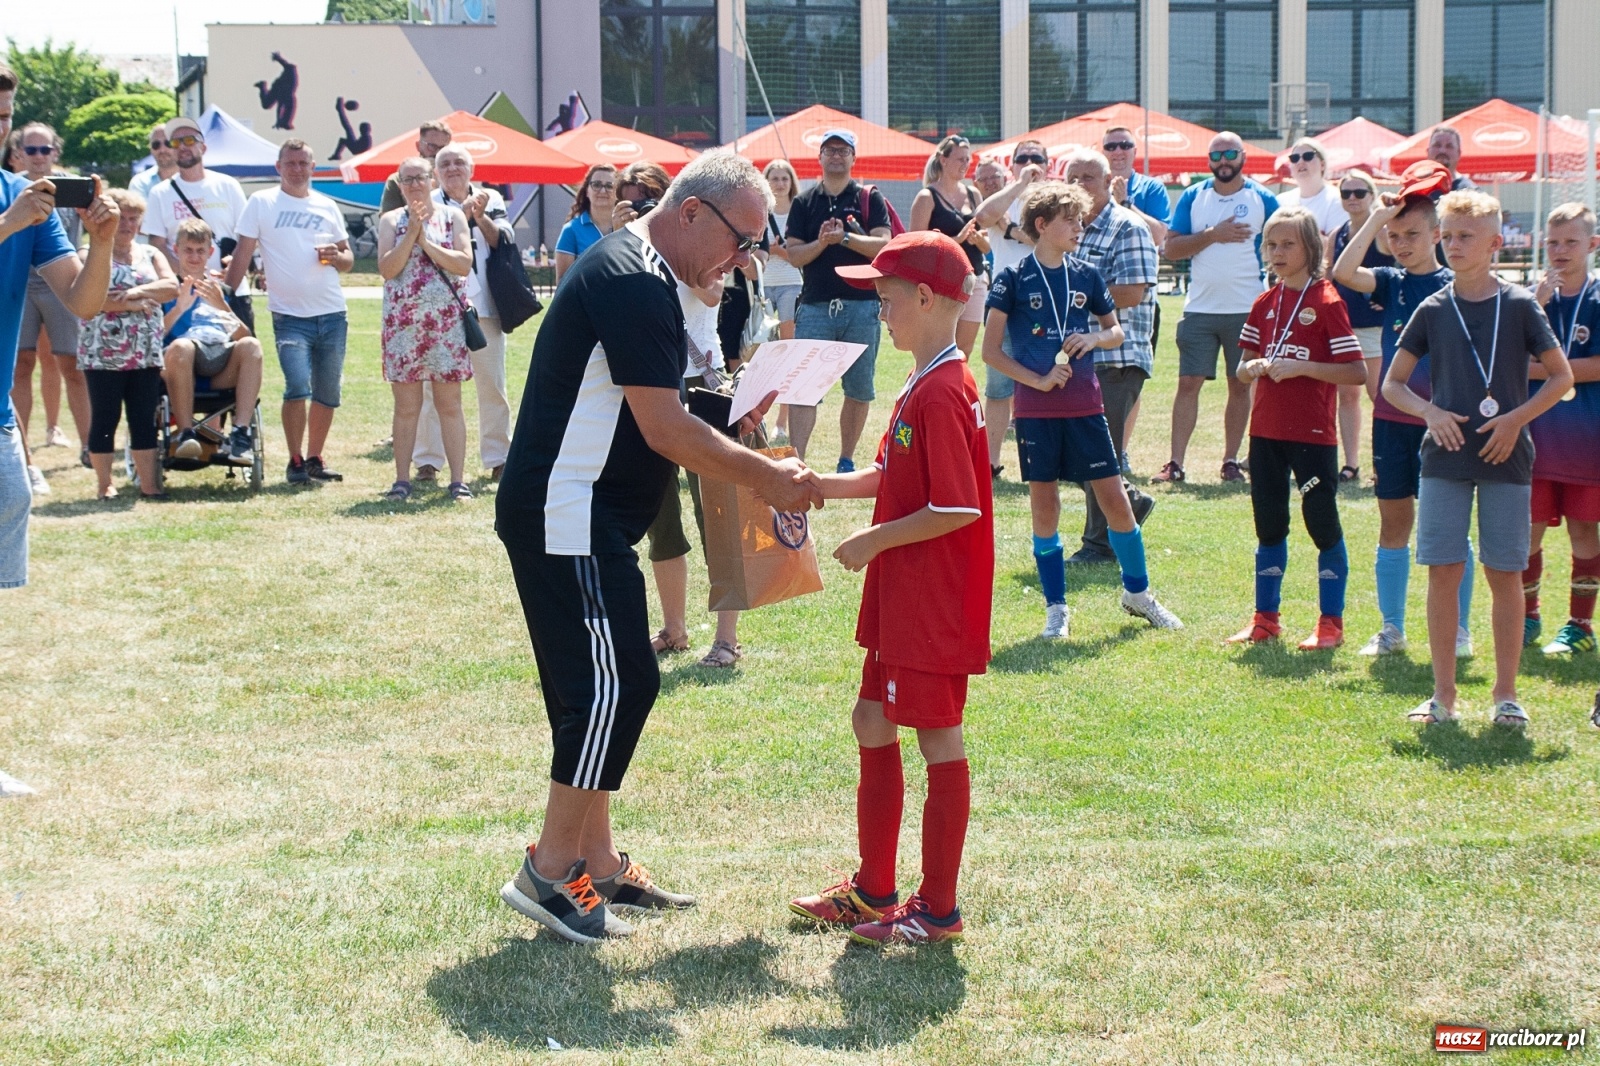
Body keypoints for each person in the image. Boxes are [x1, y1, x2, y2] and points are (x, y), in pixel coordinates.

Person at [494, 150, 820, 944]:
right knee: (617, 686)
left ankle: (596, 861)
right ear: (691, 213)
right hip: (565, 508)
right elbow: (663, 428)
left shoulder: (652, 273)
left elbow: (663, 396)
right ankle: (548, 870)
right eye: (743, 239)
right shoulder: (636, 277)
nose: (745, 259)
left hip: (585, 511)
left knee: (596, 691)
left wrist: (736, 406)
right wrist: (765, 476)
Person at [788, 230, 990, 946]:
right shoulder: (925, 378)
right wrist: (822, 487)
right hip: (904, 593)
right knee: (872, 720)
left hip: (931, 598)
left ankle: (938, 912)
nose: (879, 313)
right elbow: (889, 477)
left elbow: (957, 505)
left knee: (939, 737)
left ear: (929, 298)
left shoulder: (943, 389)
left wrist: (873, 541)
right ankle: (874, 889)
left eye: (887, 299)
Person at [1382, 190, 1571, 728]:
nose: (1455, 244)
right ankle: (1443, 697)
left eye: (1467, 236)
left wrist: (1515, 418)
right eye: (1448, 235)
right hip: (1443, 458)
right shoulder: (1433, 307)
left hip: (1506, 457)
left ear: (1494, 244)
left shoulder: (1519, 305)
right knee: (1443, 570)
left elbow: (1560, 376)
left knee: (1504, 572)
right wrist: (1430, 412)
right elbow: (1392, 385)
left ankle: (1505, 695)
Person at [983, 182, 1182, 639]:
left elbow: (1115, 332)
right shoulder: (1011, 279)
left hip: (1085, 405)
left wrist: (1093, 338)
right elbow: (992, 353)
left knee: (1114, 500)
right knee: (1045, 507)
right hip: (1036, 411)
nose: (1079, 226)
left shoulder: (1087, 275)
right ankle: (1056, 609)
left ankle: (1139, 593)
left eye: (1080, 218)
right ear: (1041, 225)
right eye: (1069, 219)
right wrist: (1036, 381)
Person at [1330, 161, 1474, 659]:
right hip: (1392, 421)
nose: (1402, 243)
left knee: (1451, 528)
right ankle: (1392, 628)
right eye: (1395, 236)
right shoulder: (1390, 280)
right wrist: (1376, 218)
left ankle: (1458, 630)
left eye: (1412, 233)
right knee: (1394, 522)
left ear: (1437, 233)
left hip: (1448, 424)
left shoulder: (1459, 284)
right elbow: (1342, 272)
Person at [0, 58, 121, 590]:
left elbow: (83, 302)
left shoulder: (23, 199)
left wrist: (104, 240)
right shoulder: (17, 209)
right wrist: (7, 224)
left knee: (12, 497)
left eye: (3, 115)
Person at [1225, 208, 1367, 650]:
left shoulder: (1327, 301)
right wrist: (1254, 367)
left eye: (1287, 244)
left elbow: (1357, 372)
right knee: (1269, 526)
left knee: (1321, 523)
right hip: (1265, 432)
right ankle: (1265, 619)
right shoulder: (1264, 302)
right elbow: (1240, 370)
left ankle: (1331, 624)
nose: (1277, 253)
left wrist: (1303, 367)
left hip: (1312, 435)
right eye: (1271, 244)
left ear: (1311, 249)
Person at [1156, 132, 1279, 485]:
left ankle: (1230, 462)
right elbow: (1172, 249)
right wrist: (1212, 234)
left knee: (1239, 385)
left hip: (1248, 308)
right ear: (1208, 161)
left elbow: (1287, 241)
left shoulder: (1262, 198)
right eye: (1216, 155)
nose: (1223, 161)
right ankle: (1175, 463)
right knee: (1187, 383)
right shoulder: (1195, 197)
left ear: (1242, 157)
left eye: (1230, 154)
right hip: (1200, 309)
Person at [226, 139, 352, 485]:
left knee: (328, 392)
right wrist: (224, 296)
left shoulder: (327, 206)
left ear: (314, 167)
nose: (297, 169)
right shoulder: (262, 202)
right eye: (291, 163)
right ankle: (294, 458)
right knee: (297, 385)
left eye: (304, 163)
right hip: (289, 316)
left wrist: (336, 257)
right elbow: (242, 253)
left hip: (331, 313)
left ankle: (314, 458)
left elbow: (348, 260)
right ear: (278, 167)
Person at [1060, 149, 1159, 565]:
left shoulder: (1128, 227)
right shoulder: (1069, 231)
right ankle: (1130, 502)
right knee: (1079, 448)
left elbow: (1134, 292)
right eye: (1073, 178)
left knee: (1100, 451)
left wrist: (1073, 298)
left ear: (1108, 182)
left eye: (1089, 178)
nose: (1081, 185)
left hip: (1119, 355)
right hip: (1079, 357)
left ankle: (1099, 545)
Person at [783, 129, 893, 469]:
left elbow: (884, 245)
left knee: (859, 388)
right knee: (804, 389)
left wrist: (844, 238)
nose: (835, 155)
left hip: (862, 306)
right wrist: (822, 243)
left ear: (853, 158)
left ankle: (846, 459)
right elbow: (794, 254)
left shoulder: (869, 198)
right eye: (829, 150)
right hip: (815, 307)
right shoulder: (803, 202)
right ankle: (796, 460)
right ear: (819, 157)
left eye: (842, 150)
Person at [408, 145, 514, 483]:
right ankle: (428, 460)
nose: (452, 168)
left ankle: (499, 457)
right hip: (437, 309)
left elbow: (502, 242)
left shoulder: (491, 199)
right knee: (430, 388)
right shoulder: (428, 204)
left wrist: (478, 216)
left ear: (471, 169)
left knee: (492, 385)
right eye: (445, 164)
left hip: (484, 308)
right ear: (436, 172)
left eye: (458, 163)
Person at [1524, 203, 1600, 660]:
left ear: (1593, 245)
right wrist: (1533, 305)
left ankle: (1580, 624)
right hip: (1535, 440)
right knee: (1525, 532)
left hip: (1586, 442)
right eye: (1552, 242)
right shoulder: (1533, 300)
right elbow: (1507, 357)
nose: (1559, 251)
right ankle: (1528, 615)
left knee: (1584, 532)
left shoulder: (1597, 297)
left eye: (1571, 242)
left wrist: (1549, 373)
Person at [377, 157, 474, 501]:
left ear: (432, 180)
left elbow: (463, 264)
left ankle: (458, 480)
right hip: (403, 327)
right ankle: (401, 479)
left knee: (450, 404)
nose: (415, 184)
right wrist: (411, 234)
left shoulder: (453, 217)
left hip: (445, 326)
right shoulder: (390, 220)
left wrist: (428, 244)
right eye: (407, 179)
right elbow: (388, 269)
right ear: (399, 185)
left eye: (419, 177)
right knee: (406, 407)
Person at [78, 189, 177, 499]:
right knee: (106, 418)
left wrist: (135, 293)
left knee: (143, 418)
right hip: (102, 352)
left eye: (135, 219)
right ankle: (104, 484)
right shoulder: (88, 253)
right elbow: (90, 301)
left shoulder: (151, 253)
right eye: (122, 218)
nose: (128, 225)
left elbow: (171, 286)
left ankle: (149, 484)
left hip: (144, 352)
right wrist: (132, 306)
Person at [12, 123, 89, 487]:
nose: (39, 156)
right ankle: (22, 454)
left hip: (61, 284)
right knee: (21, 366)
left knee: (71, 365)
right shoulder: (13, 190)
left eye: (45, 150)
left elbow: (84, 240)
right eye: (32, 150)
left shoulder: (71, 186)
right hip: (21, 284)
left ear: (56, 152)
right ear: (19, 153)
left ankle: (91, 446)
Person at [160, 219, 266, 466]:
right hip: (177, 366)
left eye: (200, 251)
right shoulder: (166, 289)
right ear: (176, 250)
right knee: (182, 346)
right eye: (188, 250)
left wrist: (223, 307)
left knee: (252, 345)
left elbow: (243, 336)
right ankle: (187, 433)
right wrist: (178, 308)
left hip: (218, 365)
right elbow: (153, 337)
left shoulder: (219, 289)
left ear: (210, 253)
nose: (195, 257)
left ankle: (240, 433)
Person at [974, 141, 1049, 478]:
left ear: (1047, 165)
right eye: (1023, 159)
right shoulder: (1006, 198)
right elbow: (982, 216)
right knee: (999, 387)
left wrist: (1013, 230)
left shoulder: (1056, 201)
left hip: (1045, 303)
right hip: (1004, 305)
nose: (1030, 164)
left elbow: (1050, 243)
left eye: (1036, 159)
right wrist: (1018, 186)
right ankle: (990, 462)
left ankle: (1040, 459)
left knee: (1042, 384)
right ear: (1013, 165)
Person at [1325, 169, 1391, 484]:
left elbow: (1405, 266)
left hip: (1376, 328)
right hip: (1343, 328)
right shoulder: (1336, 234)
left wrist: (1388, 297)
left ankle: (1384, 463)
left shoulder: (1383, 232)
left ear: (1372, 195)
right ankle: (1351, 465)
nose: (1352, 198)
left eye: (1359, 192)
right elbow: (1328, 278)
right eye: (1346, 193)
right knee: (1347, 396)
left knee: (1380, 395)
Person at [909, 135, 989, 356]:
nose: (966, 165)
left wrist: (979, 241)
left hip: (975, 279)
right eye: (960, 159)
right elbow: (915, 247)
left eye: (968, 160)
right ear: (943, 160)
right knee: (938, 347)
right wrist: (957, 241)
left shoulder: (974, 194)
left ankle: (957, 389)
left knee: (964, 350)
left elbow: (987, 244)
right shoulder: (927, 197)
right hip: (941, 282)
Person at [762, 159, 804, 445]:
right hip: (763, 287)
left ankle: (782, 421)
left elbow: (799, 254)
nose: (779, 183)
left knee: (788, 353)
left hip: (792, 284)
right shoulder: (760, 212)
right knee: (764, 355)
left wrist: (776, 251)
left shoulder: (798, 212)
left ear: (792, 182)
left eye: (783, 178)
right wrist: (774, 251)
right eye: (774, 178)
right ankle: (758, 418)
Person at [1102, 126, 1170, 245]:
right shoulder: (1094, 187)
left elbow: (1158, 237)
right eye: (1111, 147)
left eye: (1125, 145)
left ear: (1135, 151)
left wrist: (1125, 204)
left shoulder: (1152, 187)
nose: (1118, 151)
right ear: (1103, 153)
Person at [553, 163, 618, 286]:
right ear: (587, 191)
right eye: (596, 185)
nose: (603, 190)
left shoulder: (628, 227)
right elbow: (562, 282)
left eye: (610, 186)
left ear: (617, 192)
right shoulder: (571, 230)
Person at [1275, 137, 1345, 235]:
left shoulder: (1336, 199)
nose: (1300, 162)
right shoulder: (1280, 201)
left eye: (1308, 156)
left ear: (1322, 165)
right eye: (1294, 158)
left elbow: (1333, 245)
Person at [378, 120, 451, 213]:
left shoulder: (453, 177)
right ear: (418, 146)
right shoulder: (398, 179)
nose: (437, 153)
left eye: (443, 148)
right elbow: (387, 220)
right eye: (432, 146)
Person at [129, 122, 179, 203]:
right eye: (156, 145)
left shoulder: (192, 179)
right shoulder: (140, 183)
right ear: (150, 149)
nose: (162, 150)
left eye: (168, 143)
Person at [1427, 126, 1476, 192]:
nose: (1442, 150)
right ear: (1428, 150)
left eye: (1449, 146)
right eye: (1437, 145)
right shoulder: (1415, 190)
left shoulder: (1470, 192)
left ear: (1459, 153)